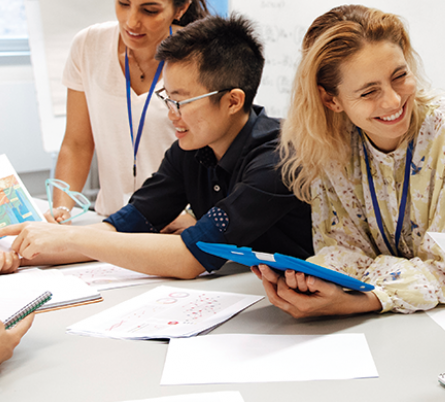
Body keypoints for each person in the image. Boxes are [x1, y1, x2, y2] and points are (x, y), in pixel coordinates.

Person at [252, 4, 445, 318]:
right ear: (331, 100)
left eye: (400, 76)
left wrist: (358, 299)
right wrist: (309, 280)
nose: (392, 100)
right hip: (388, 322)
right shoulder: (332, 143)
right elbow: (344, 252)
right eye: (368, 92)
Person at [1, 15, 312, 278]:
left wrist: (67, 235)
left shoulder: (278, 158)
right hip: (247, 294)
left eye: (181, 101)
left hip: (317, 312)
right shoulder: (191, 149)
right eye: (168, 98)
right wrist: (19, 254)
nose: (171, 113)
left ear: (233, 101)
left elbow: (189, 257)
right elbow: (122, 228)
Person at [52, 0, 209, 221]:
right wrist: (61, 211)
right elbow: (76, 144)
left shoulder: (202, 58)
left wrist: (194, 216)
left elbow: (216, 155)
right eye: (123, 3)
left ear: (181, 8)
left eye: (150, 11)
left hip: (177, 227)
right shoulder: (88, 45)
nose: (132, 22)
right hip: (109, 223)